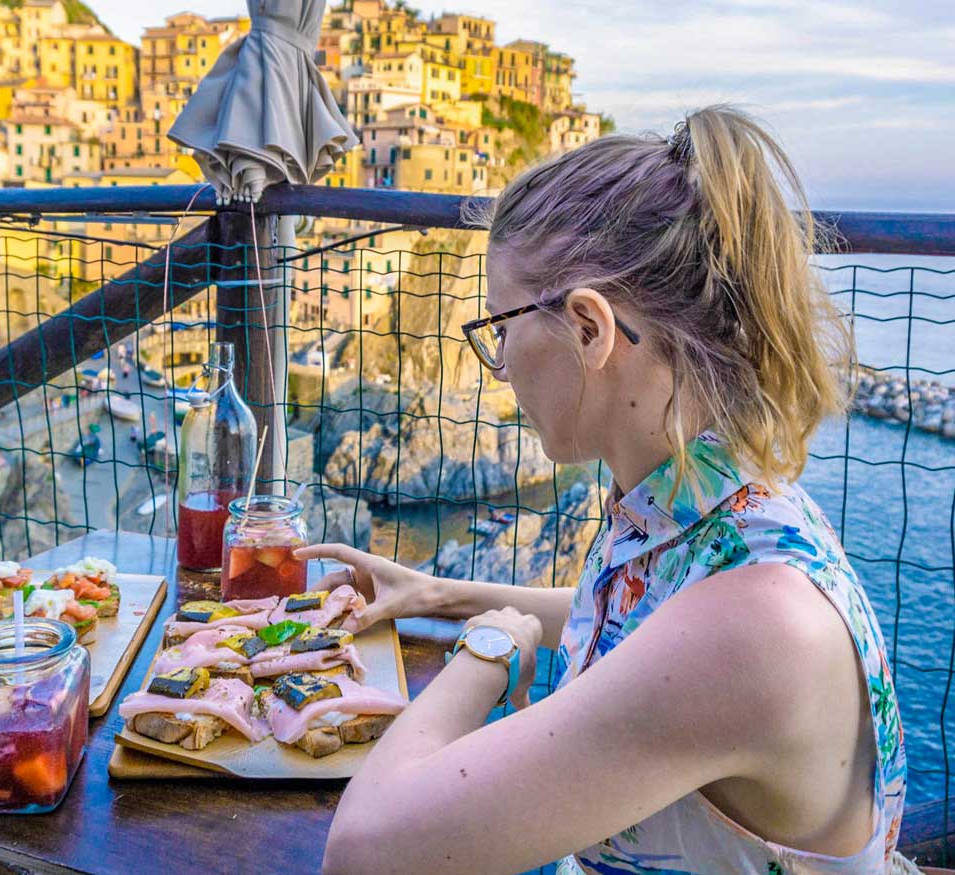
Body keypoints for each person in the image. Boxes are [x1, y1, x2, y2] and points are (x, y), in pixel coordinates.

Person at [300, 106, 908, 875]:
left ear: (589, 328)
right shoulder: (706, 501)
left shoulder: (758, 630)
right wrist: (435, 591)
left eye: (500, 327)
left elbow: (363, 854)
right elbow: (638, 623)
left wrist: (487, 650)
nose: (499, 364)